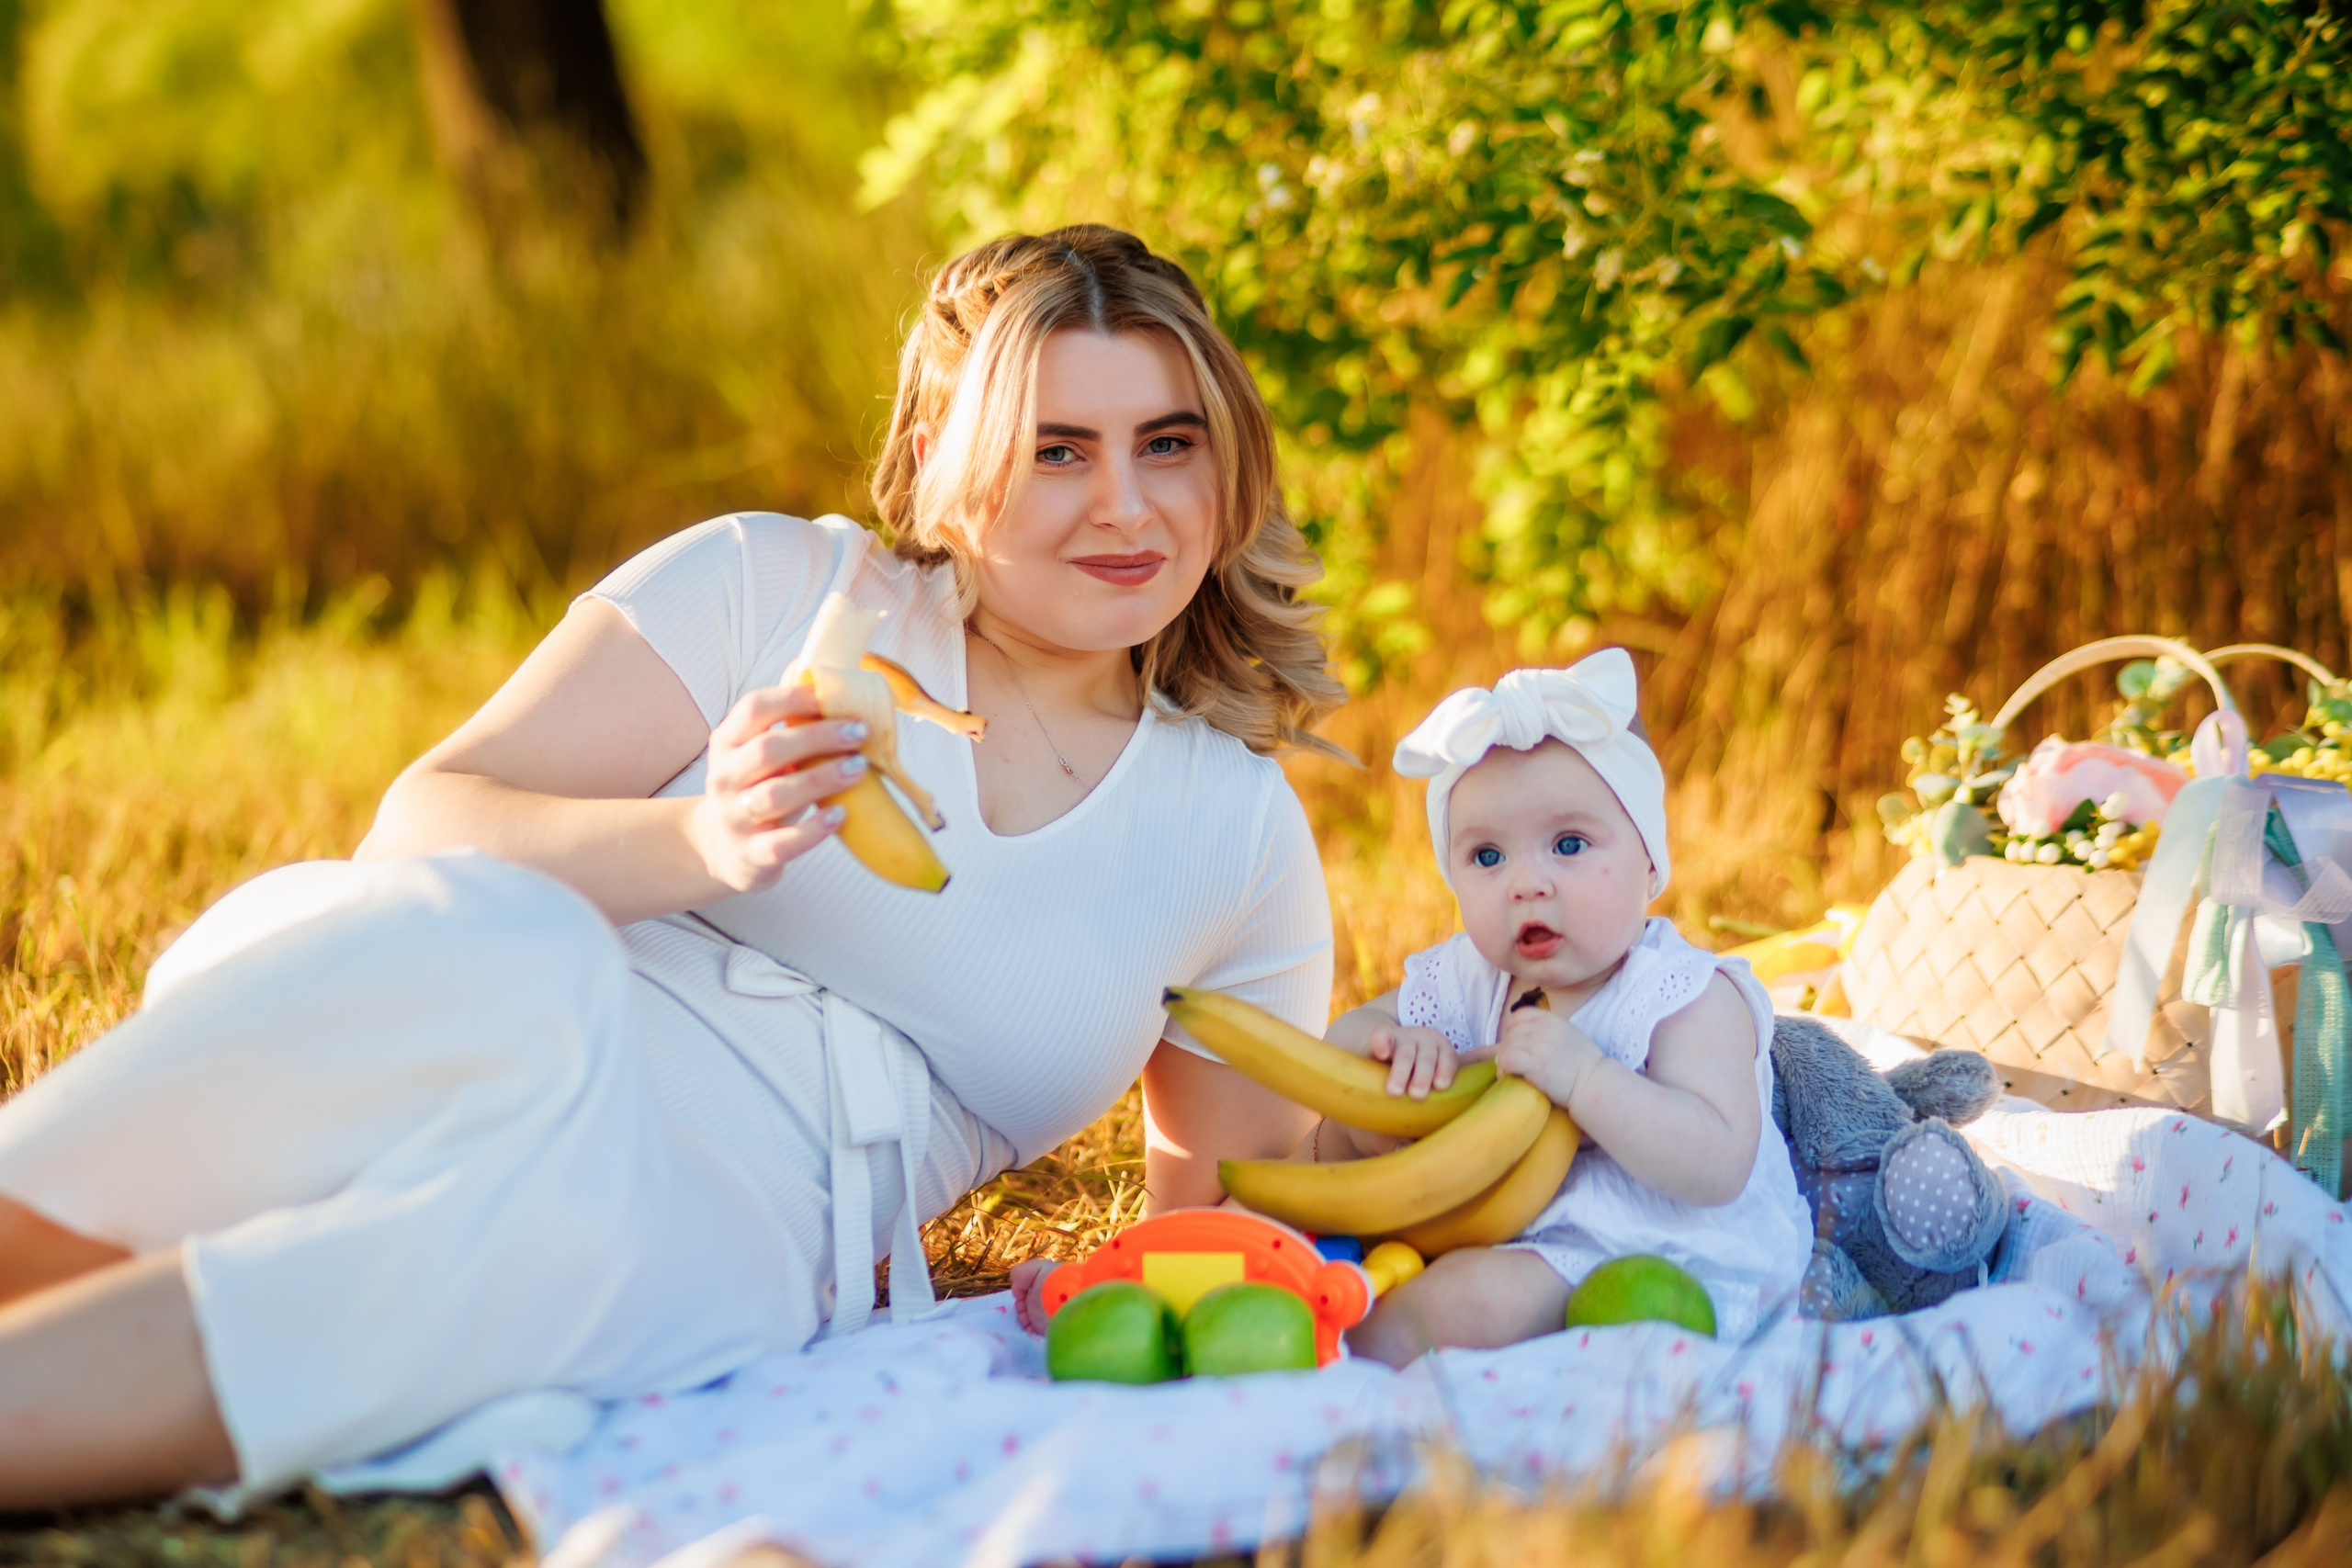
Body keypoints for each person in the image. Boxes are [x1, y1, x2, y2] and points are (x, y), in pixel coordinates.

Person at [0, 225, 1344, 1507]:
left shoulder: (1231, 829)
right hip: (450, 1015)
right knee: (517, 952)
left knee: (518, 1240)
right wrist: (701, 840)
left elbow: (1220, 1243)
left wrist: (1449, 1079)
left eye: (1168, 443)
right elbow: (420, 827)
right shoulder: (776, 585)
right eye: (1058, 450)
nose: (1125, 505)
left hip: (744, 1206)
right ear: (942, 463)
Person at [1310, 651, 1811, 1364]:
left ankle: (1336, 1376)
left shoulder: (1680, 992)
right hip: (1489, 1227)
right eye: (1487, 857)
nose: (1526, 882)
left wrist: (1587, 1080)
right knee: (1339, 1198)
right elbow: (1341, 1042)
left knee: (1463, 1300)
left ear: (1649, 864)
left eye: (1569, 844)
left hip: (1652, 1251)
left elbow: (1720, 1159)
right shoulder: (1473, 975)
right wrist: (1391, 1045)